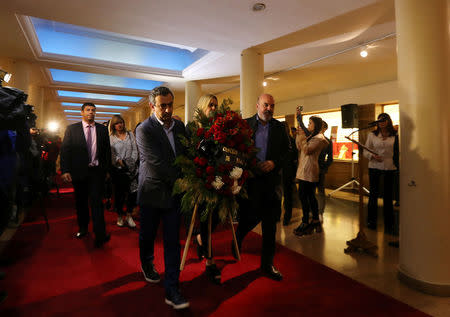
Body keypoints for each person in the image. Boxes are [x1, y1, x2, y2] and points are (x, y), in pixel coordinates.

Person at [135, 86, 189, 310]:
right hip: (152, 192)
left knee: (172, 242)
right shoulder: (144, 129)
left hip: (174, 196)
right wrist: (182, 180)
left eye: (169, 105)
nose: (167, 110)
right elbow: (155, 164)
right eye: (162, 106)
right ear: (152, 106)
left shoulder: (180, 127)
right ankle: (147, 263)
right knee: (147, 235)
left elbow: (186, 155)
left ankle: (172, 289)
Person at [233, 93, 289, 281]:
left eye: (272, 106)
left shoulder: (280, 128)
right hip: (251, 182)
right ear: (257, 105)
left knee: (270, 226)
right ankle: (238, 237)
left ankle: (267, 264)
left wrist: (274, 163)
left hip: (272, 184)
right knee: (249, 218)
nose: (269, 109)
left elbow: (288, 154)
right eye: (266, 105)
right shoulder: (246, 125)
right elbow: (237, 150)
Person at [60, 103, 111, 247]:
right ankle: (83, 228)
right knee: (81, 202)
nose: (91, 112)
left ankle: (100, 234)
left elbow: (107, 151)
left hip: (96, 172)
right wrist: (65, 170)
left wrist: (106, 170)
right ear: (82, 112)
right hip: (79, 172)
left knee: (96, 203)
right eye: (88, 110)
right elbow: (65, 151)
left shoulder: (102, 129)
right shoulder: (72, 129)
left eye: (93, 110)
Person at [191, 94, 222, 284]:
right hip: (200, 181)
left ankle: (201, 238)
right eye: (210, 105)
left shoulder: (220, 127)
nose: (213, 108)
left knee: (216, 218)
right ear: (202, 106)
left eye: (215, 105)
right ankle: (210, 261)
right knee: (206, 220)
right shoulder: (192, 128)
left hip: (219, 180)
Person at [363, 113, 399, 234]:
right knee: (373, 194)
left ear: (389, 121)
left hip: (390, 167)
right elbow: (365, 151)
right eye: (379, 120)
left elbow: (398, 151)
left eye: (384, 120)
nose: (382, 122)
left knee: (388, 196)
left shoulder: (396, 135)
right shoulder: (372, 135)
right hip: (374, 167)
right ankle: (371, 221)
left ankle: (389, 223)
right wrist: (372, 156)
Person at [294, 114, 328, 236]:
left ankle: (306, 221)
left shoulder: (320, 139)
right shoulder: (311, 137)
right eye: (308, 123)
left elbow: (307, 150)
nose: (308, 125)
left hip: (310, 171)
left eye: (310, 123)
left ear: (316, 125)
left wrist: (302, 136)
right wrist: (299, 134)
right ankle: (314, 220)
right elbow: (299, 147)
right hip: (304, 170)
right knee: (307, 196)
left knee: (305, 196)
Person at [109, 115, 138, 228]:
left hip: (132, 170)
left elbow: (135, 150)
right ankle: (120, 215)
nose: (119, 125)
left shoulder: (130, 135)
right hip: (118, 170)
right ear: (113, 125)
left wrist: (130, 164)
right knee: (119, 195)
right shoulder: (111, 137)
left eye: (121, 122)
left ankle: (129, 215)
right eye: (117, 123)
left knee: (132, 195)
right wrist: (120, 162)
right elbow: (112, 155)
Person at [282, 122, 298, 226]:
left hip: (288, 173)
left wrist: (295, 175)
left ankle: (287, 217)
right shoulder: (279, 141)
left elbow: (295, 159)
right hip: (280, 172)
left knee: (288, 196)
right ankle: (283, 216)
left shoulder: (292, 141)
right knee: (282, 195)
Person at [317, 121, 333, 221]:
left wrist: (324, 168)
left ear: (325, 129)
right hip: (310, 169)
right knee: (309, 192)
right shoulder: (311, 138)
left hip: (320, 169)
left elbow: (330, 158)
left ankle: (320, 212)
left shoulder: (327, 141)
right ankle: (312, 211)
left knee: (321, 191)